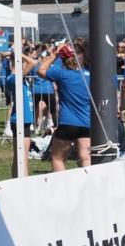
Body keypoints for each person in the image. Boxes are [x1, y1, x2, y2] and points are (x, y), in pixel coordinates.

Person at [39, 37, 92, 171]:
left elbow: (40, 70)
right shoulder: (90, 75)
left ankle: (61, 187)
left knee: (57, 158)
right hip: (87, 123)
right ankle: (89, 185)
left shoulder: (62, 73)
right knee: (85, 158)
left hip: (68, 122)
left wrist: (54, 55)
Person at [6, 50, 38, 178]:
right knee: (21, 158)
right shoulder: (13, 78)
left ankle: (18, 182)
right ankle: (21, 184)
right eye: (23, 64)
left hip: (25, 120)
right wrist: (19, 54)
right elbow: (33, 62)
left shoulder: (21, 79)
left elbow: (31, 63)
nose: (26, 65)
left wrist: (18, 55)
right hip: (19, 120)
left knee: (22, 158)